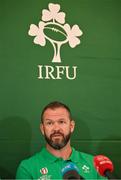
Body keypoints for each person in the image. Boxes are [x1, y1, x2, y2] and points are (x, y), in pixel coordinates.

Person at [16, 101, 106, 179]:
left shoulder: (95, 164)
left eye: (61, 122)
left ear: (71, 126)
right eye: (49, 123)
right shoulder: (27, 168)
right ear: (42, 129)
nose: (56, 128)